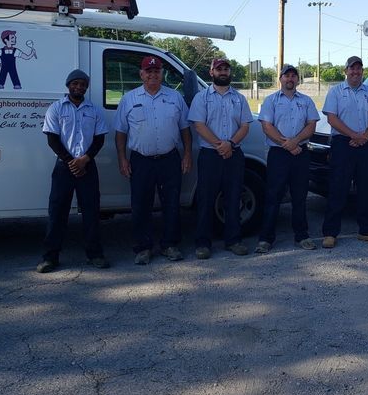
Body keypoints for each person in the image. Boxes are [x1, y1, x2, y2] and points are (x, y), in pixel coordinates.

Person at [114, 56, 192, 265]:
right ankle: (143, 247)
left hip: (170, 159)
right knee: (140, 205)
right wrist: (122, 158)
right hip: (141, 161)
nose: (153, 74)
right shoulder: (128, 99)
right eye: (148, 71)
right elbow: (120, 132)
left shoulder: (175, 97)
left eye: (156, 71)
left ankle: (170, 245)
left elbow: (185, 129)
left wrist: (187, 154)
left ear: (162, 74)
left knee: (172, 204)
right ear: (141, 74)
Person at [37, 69, 109, 273]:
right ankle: (50, 257)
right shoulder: (56, 108)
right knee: (57, 213)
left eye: (83, 84)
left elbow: (99, 139)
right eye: (75, 83)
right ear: (68, 85)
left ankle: (95, 254)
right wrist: (71, 162)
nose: (79, 87)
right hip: (64, 167)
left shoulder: (94, 110)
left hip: (88, 166)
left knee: (91, 212)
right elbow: (52, 139)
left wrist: (85, 159)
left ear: (86, 87)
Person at [188, 58, 254, 259]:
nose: (223, 72)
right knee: (206, 199)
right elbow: (199, 125)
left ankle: (233, 240)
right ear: (211, 72)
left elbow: (245, 126)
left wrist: (230, 144)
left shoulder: (240, 98)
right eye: (219, 69)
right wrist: (220, 145)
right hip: (210, 155)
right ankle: (203, 243)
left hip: (234, 154)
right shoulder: (202, 98)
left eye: (226, 69)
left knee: (233, 198)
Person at [320, 56, 368, 248]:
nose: (356, 72)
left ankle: (366, 230)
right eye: (352, 68)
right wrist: (353, 135)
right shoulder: (336, 92)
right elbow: (332, 119)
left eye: (359, 69)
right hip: (343, 143)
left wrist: (364, 136)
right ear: (346, 71)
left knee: (366, 189)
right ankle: (330, 233)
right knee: (338, 189)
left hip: (365, 143)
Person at [255, 65, 320, 253]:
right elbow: (267, 126)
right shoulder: (271, 101)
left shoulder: (306, 101)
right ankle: (265, 239)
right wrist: (287, 144)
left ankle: (302, 236)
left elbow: (311, 125)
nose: (290, 79)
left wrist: (295, 142)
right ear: (280, 79)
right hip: (279, 154)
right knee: (273, 196)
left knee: (300, 196)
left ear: (297, 80)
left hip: (301, 152)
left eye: (293, 76)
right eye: (286, 76)